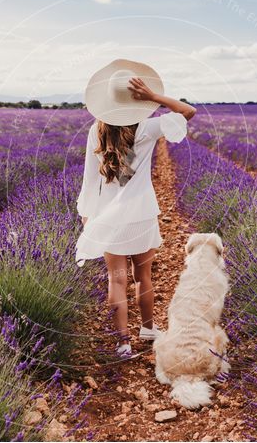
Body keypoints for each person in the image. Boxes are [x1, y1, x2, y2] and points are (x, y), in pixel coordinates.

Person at [75, 59, 196, 357]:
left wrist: (88, 217)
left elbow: (90, 179)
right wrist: (153, 97)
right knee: (144, 276)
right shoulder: (148, 127)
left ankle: (123, 343)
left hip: (108, 214)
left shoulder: (97, 130)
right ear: (136, 99)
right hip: (141, 212)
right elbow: (187, 112)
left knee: (115, 279)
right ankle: (148, 327)